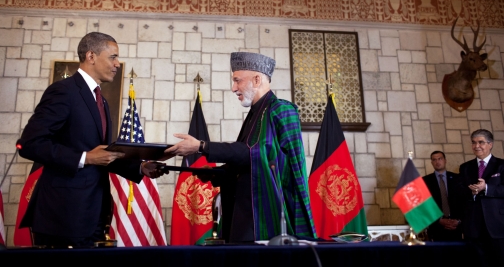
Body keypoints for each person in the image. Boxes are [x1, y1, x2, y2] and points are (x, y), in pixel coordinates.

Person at [19, 32, 164, 247]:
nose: (117, 64)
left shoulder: (101, 100)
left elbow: (103, 155)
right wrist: (85, 158)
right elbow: (30, 144)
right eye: (113, 57)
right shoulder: (63, 91)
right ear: (91, 56)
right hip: (63, 216)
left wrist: (140, 167)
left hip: (94, 214)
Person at [165, 51, 316, 243]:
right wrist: (217, 173)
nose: (233, 88)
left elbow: (259, 153)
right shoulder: (254, 114)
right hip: (243, 215)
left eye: (237, 80)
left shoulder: (281, 110)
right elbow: (246, 162)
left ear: (257, 79)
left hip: (268, 215)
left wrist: (201, 146)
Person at [459, 129, 504, 264]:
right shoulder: (465, 167)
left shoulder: (502, 165)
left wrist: (487, 188)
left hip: (497, 226)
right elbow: (460, 192)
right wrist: (472, 192)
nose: (476, 146)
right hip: (473, 227)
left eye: (481, 142)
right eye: (473, 142)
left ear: (490, 144)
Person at [422, 151, 462, 241]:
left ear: (445, 160)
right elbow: (424, 206)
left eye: (440, 159)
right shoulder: (425, 181)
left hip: (456, 227)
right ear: (432, 163)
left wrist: (458, 221)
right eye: (434, 160)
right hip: (436, 228)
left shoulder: (457, 178)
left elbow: (463, 202)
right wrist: (439, 220)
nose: (437, 162)